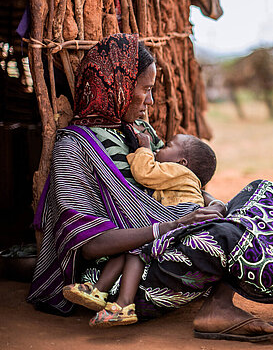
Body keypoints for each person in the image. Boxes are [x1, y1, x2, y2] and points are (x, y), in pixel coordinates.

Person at [27, 34, 273, 343]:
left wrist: (207, 203)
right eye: (144, 88)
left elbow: (170, 185)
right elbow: (89, 245)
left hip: (176, 243)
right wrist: (167, 227)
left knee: (263, 192)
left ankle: (218, 306)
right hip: (126, 282)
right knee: (229, 235)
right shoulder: (74, 148)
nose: (150, 100)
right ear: (115, 84)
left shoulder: (135, 130)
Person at [61, 132, 218, 327]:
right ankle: (98, 291)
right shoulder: (179, 177)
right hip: (175, 216)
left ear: (182, 161)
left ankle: (124, 305)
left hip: (181, 215)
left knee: (137, 249)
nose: (159, 149)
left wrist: (143, 147)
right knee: (129, 245)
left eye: (167, 146)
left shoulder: (179, 172)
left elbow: (144, 173)